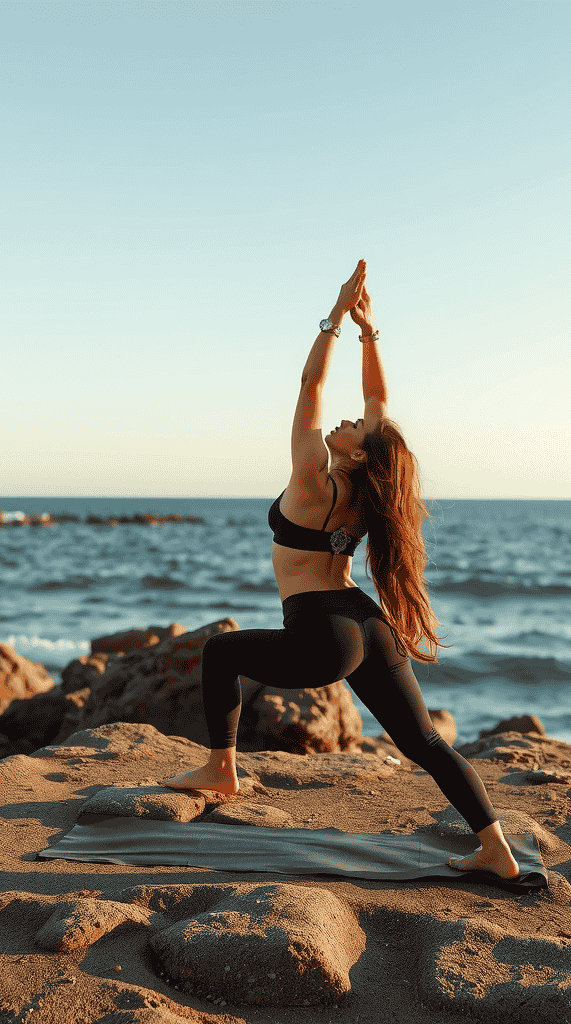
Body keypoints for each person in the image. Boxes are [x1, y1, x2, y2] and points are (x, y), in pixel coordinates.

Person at [164, 259, 520, 879]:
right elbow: (380, 400)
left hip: (323, 634)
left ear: (356, 450)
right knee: (426, 743)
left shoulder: (312, 479)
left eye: (354, 427)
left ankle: (223, 770)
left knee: (220, 654)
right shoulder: (369, 489)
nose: (347, 421)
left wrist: (332, 318)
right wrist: (368, 329)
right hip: (365, 621)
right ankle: (496, 848)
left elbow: (309, 387)